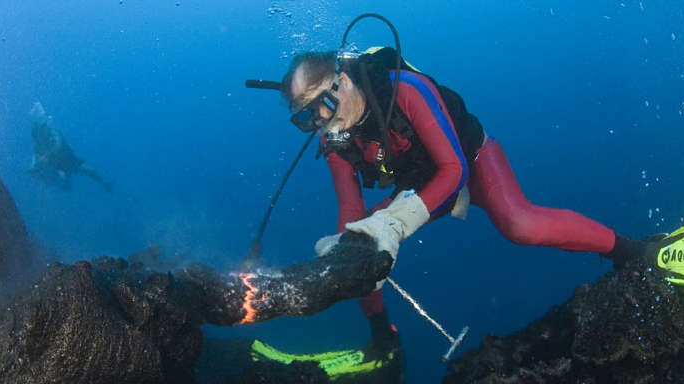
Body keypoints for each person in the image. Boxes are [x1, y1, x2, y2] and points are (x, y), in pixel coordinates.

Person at [278, 48, 649, 360]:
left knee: (519, 223)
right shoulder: (334, 141)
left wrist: (398, 222)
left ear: (343, 81)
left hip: (470, 161)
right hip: (419, 187)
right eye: (306, 116)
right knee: (358, 245)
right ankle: (382, 337)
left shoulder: (405, 90)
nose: (322, 120)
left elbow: (454, 170)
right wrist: (347, 247)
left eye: (324, 104)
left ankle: (637, 251)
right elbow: (350, 209)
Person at [28, 102, 114, 192]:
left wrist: (46, 156)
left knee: (85, 169)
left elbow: (58, 145)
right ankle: (64, 184)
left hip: (68, 158)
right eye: (36, 135)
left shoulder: (53, 133)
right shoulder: (37, 143)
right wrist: (33, 165)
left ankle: (104, 183)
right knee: (59, 177)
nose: (39, 137)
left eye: (40, 133)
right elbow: (35, 155)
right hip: (56, 165)